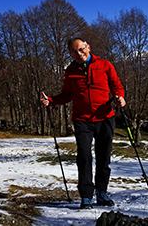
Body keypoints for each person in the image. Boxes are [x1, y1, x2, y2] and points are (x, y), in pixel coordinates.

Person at [41, 37, 126, 209]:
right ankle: (86, 196)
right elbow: (67, 94)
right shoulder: (70, 70)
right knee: (84, 157)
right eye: (74, 52)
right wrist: (51, 100)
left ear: (88, 47)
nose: (79, 54)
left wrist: (120, 97)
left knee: (104, 156)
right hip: (82, 120)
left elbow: (116, 85)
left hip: (105, 117)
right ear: (70, 54)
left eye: (81, 49)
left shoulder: (105, 65)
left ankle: (102, 192)